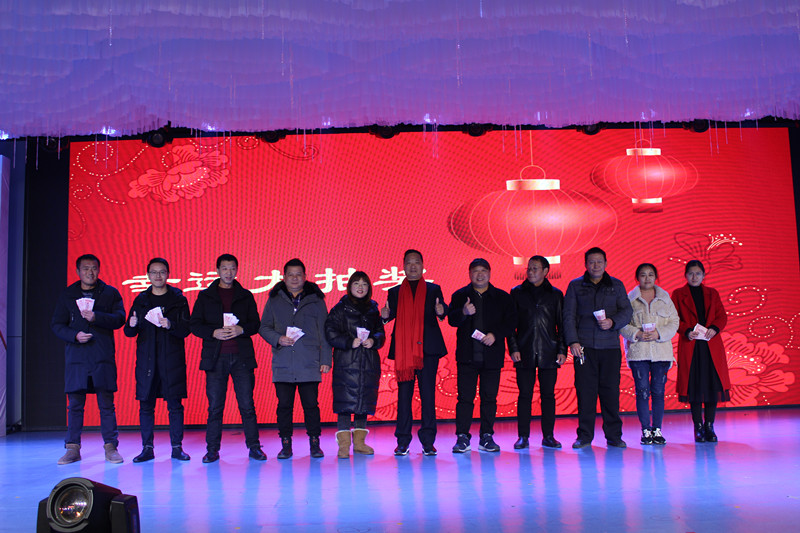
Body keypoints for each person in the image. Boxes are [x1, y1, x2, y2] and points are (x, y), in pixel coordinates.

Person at [190, 253, 265, 463]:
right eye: (224, 268)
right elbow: (194, 325)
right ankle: (212, 450)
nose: (228, 272)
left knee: (247, 405)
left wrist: (242, 329)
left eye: (232, 268)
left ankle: (254, 447)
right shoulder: (205, 296)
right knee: (215, 407)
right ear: (217, 270)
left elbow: (256, 324)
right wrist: (213, 332)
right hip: (216, 359)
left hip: (241, 357)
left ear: (237, 270)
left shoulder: (245, 295)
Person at [51, 254, 126, 464]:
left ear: (99, 270)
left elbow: (120, 318)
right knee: (75, 405)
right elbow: (57, 325)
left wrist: (97, 317)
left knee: (106, 405)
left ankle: (111, 447)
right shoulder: (68, 294)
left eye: (93, 268)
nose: (90, 272)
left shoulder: (110, 293)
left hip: (102, 357)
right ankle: (72, 448)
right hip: (77, 358)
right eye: (85, 268)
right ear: (78, 271)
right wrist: (74, 335)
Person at [259, 258, 332, 459]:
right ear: (283, 277)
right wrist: (278, 338)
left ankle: (315, 444)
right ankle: (286, 445)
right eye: (290, 275)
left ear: (305, 277)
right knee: (284, 407)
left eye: (298, 274)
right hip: (283, 363)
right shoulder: (274, 299)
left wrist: (326, 359)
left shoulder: (316, 300)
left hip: (309, 362)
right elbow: (263, 327)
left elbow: (325, 331)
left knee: (311, 406)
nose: (294, 278)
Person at [563, 247, 633, 449]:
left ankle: (614, 436)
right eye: (592, 262)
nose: (595, 265)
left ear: (606, 264)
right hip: (584, 348)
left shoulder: (616, 285)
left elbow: (627, 311)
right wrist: (573, 342)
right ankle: (584, 436)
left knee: (610, 393)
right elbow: (568, 316)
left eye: (599, 262)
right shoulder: (575, 286)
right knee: (585, 393)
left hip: (610, 347)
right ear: (586, 264)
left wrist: (612, 322)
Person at [381, 249, 448, 456]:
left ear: (422, 265)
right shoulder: (394, 292)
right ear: (403, 266)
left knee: (428, 396)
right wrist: (384, 316)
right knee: (404, 398)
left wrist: (442, 311)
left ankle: (428, 442)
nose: (412, 266)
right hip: (404, 351)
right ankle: (403, 441)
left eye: (416, 262)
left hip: (427, 351)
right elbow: (389, 315)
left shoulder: (433, 289)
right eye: (409, 263)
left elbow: (442, 310)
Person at [124, 258, 192, 462]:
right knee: (146, 405)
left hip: (171, 360)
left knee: (175, 405)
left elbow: (186, 329)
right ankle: (147, 448)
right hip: (147, 361)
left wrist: (171, 324)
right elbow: (129, 331)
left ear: (168, 274)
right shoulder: (141, 300)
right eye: (154, 272)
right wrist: (132, 324)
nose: (158, 276)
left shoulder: (178, 299)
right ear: (148, 276)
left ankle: (177, 448)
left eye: (162, 272)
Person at [447, 258, 515, 453]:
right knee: (465, 399)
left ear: (489, 273)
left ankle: (486, 436)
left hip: (492, 356)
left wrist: (496, 335)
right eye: (475, 271)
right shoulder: (460, 295)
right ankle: (462, 437)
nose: (480, 275)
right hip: (467, 356)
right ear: (469, 274)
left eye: (483, 271)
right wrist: (463, 312)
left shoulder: (502, 297)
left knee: (489, 398)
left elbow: (511, 322)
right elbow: (451, 320)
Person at [324, 272, 385, 459]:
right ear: (349, 286)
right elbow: (330, 332)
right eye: (356, 283)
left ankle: (359, 444)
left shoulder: (373, 309)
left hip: (367, 363)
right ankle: (344, 445)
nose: (360, 287)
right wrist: (350, 341)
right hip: (347, 362)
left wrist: (374, 341)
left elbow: (380, 332)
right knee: (345, 405)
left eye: (364, 284)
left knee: (362, 404)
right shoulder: (340, 308)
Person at [508, 255, 566, 450]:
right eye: (529, 268)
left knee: (548, 395)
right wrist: (514, 348)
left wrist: (562, 350)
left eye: (535, 268)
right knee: (525, 395)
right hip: (524, 350)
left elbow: (561, 325)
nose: (531, 272)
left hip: (549, 351)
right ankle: (523, 436)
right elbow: (511, 326)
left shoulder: (555, 294)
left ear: (546, 271)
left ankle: (548, 436)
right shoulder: (517, 293)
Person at [671, 260, 731, 443]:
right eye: (691, 273)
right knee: (694, 387)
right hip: (691, 345)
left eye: (698, 273)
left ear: (704, 275)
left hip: (711, 345)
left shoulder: (712, 293)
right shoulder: (678, 294)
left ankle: (709, 426)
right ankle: (698, 427)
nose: (694, 277)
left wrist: (714, 327)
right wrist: (686, 330)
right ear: (685, 275)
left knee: (712, 386)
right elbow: (674, 319)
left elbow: (722, 316)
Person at [619, 263, 679, 446]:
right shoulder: (629, 299)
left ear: (656, 277)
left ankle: (657, 429)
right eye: (643, 275)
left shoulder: (665, 298)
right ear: (637, 278)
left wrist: (659, 333)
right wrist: (636, 333)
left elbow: (674, 322)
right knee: (642, 392)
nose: (647, 278)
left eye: (651, 274)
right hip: (639, 353)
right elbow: (622, 323)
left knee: (658, 392)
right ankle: (645, 430)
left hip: (661, 353)